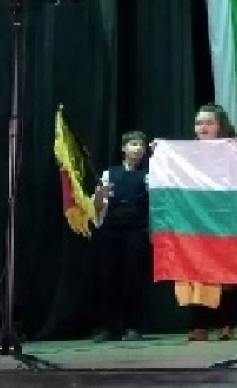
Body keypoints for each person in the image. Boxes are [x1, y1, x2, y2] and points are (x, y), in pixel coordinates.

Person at [172, 103, 237, 341]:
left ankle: (227, 324)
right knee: (196, 271)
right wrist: (162, 151)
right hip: (196, 220)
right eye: (199, 123)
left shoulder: (233, 148)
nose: (203, 127)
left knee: (226, 272)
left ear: (220, 126)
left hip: (225, 218)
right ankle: (200, 325)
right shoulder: (186, 153)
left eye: (209, 123)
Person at [92, 131, 150, 342]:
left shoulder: (149, 176)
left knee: (133, 277)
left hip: (136, 231)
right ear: (123, 148)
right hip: (111, 231)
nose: (138, 148)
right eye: (133, 144)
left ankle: (133, 326)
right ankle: (109, 326)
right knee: (109, 277)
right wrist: (99, 197)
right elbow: (98, 206)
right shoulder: (110, 174)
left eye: (141, 145)